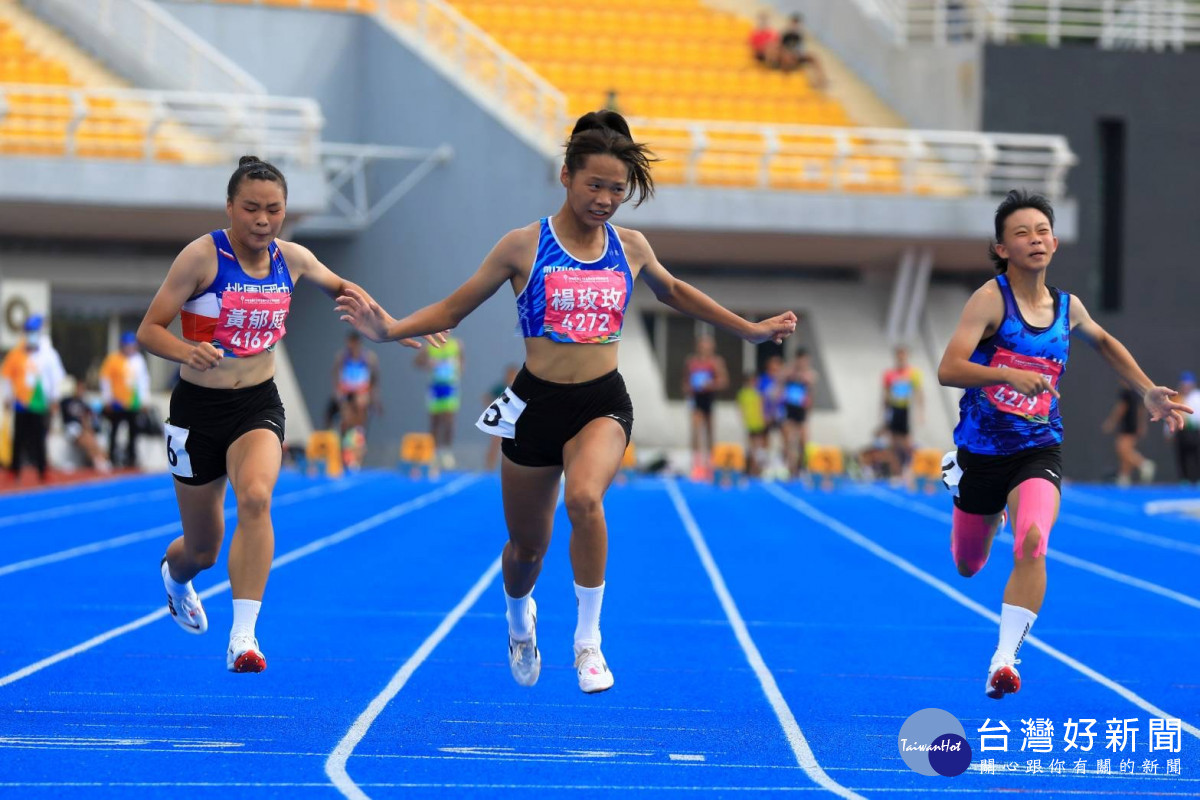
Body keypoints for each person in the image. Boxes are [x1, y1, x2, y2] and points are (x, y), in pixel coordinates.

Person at [336, 110, 797, 693]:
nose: (605, 199)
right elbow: (452, 311)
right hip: (534, 404)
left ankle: (587, 643)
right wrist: (391, 329)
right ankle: (518, 617)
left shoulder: (630, 246)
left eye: (617, 189)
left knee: (584, 499)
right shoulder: (524, 245)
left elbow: (676, 291)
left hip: (602, 401)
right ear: (566, 177)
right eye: (594, 185)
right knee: (527, 549)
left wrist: (748, 330)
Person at [137, 155, 435, 673]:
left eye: (274, 210)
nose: (262, 219)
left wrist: (392, 328)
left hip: (256, 403)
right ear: (230, 207)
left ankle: (243, 636)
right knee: (203, 549)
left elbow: (347, 291)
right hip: (196, 410)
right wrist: (187, 351)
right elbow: (149, 330)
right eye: (251, 208)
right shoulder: (201, 258)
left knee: (256, 497)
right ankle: (175, 575)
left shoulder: (292, 259)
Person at [937, 189, 1190, 700]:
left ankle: (1004, 658)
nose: (1035, 239)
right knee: (969, 564)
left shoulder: (1068, 307)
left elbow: (1106, 343)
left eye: (1042, 231)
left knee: (1033, 539)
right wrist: (1006, 372)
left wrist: (1147, 391)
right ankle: (961, 480)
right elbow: (949, 369)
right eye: (1022, 233)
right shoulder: (991, 300)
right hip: (983, 452)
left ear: (1054, 242)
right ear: (1002, 248)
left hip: (1038, 448)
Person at [1, 314, 65, 484]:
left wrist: (54, 399)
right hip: (21, 402)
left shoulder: (48, 355)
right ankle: (14, 470)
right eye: (28, 331)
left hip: (39, 402)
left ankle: (42, 470)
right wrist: (7, 396)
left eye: (34, 331)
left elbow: (55, 379)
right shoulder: (16, 353)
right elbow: (8, 377)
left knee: (38, 437)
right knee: (19, 437)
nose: (31, 335)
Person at [99, 330, 151, 469]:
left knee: (133, 432)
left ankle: (131, 458)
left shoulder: (139, 361)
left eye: (132, 345)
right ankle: (112, 457)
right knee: (114, 430)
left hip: (133, 403)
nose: (130, 348)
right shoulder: (113, 359)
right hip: (117, 403)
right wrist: (107, 399)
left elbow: (143, 382)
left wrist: (144, 400)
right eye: (127, 345)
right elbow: (105, 380)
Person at [683, 334, 728, 481]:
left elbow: (723, 381)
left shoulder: (716, 362)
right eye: (702, 345)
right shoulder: (692, 362)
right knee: (695, 431)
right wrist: (689, 388)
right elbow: (685, 381)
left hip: (708, 398)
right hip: (696, 399)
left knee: (709, 432)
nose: (705, 348)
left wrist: (710, 384)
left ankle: (710, 465)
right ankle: (696, 465)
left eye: (707, 346)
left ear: (712, 347)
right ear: (698, 346)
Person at [415, 334, 463, 469]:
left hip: (449, 386)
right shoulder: (429, 346)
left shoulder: (456, 344)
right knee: (435, 420)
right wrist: (427, 363)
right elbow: (417, 362)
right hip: (435, 387)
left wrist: (458, 368)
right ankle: (433, 452)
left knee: (449, 419)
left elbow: (462, 362)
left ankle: (446, 451)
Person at [332, 331, 379, 469]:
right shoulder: (342, 357)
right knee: (346, 423)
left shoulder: (369, 358)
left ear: (357, 343)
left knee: (359, 423)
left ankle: (357, 456)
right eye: (349, 343)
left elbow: (375, 379)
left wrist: (375, 398)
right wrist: (337, 392)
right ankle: (344, 455)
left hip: (361, 392)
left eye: (353, 343)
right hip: (347, 392)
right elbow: (335, 374)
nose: (350, 346)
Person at [882, 345, 923, 487]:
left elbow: (918, 393)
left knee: (907, 444)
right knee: (893, 444)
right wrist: (884, 414)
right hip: (894, 409)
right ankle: (896, 474)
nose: (901, 358)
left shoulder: (913, 373)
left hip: (906, 409)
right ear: (896, 356)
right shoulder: (889, 374)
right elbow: (885, 394)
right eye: (899, 355)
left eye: (903, 355)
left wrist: (920, 412)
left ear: (906, 356)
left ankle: (909, 470)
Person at [1101, 384, 1154, 486]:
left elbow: (1121, 408)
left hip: (1128, 425)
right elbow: (1141, 409)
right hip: (1133, 425)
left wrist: (1111, 422)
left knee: (1122, 449)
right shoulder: (1136, 392)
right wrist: (1141, 425)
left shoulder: (1126, 393)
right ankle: (1124, 477)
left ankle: (1143, 464)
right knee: (1125, 450)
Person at [60, 376, 111, 472]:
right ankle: (98, 460)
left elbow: (86, 418)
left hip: (81, 429)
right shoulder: (66, 401)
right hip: (71, 427)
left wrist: (88, 429)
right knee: (87, 439)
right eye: (79, 388)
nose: (80, 391)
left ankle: (99, 459)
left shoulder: (83, 403)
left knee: (92, 439)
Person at [782, 348, 817, 480]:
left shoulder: (810, 374)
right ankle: (790, 470)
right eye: (801, 360)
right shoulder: (789, 371)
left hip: (801, 411)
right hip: (790, 409)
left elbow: (811, 393)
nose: (803, 362)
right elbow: (781, 380)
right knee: (790, 441)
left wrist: (809, 411)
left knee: (803, 442)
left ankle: (800, 468)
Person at [483, 363, 520, 472]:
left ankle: (515, 469)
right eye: (510, 374)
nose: (512, 376)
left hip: (515, 423)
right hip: (500, 422)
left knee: (515, 447)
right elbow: (486, 397)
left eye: (514, 374)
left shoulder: (520, 388)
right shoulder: (501, 388)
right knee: (495, 445)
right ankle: (489, 467)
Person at [778, 13, 828, 89]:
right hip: (786, 56)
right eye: (794, 23)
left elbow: (801, 49)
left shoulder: (800, 35)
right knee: (787, 57)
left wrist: (797, 54)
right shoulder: (785, 34)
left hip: (796, 56)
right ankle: (785, 80)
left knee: (813, 57)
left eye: (796, 23)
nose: (795, 25)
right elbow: (780, 48)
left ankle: (821, 80)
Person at [1167, 371, 1200, 483]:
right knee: (1181, 455)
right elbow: (1170, 415)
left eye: (1188, 384)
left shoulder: (1197, 397)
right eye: (1184, 384)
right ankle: (1184, 479)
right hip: (1181, 431)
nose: (1186, 387)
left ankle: (1197, 479)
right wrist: (1168, 431)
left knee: (1195, 455)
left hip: (1195, 431)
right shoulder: (1177, 398)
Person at [736, 371, 767, 478]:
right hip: (750, 423)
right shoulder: (744, 393)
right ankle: (751, 469)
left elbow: (762, 406)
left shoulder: (758, 392)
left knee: (759, 447)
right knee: (751, 447)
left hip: (759, 422)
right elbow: (740, 407)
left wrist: (764, 418)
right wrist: (743, 419)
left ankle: (757, 468)